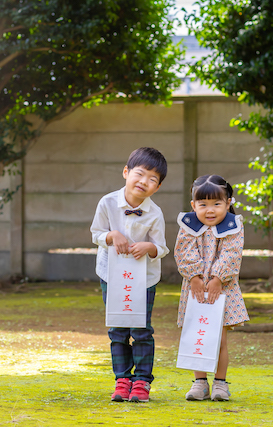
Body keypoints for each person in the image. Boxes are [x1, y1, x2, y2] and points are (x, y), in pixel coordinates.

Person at [90, 147, 169, 403]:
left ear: (157, 188)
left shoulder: (155, 213)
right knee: (117, 329)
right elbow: (96, 234)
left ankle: (142, 382)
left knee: (142, 330)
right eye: (140, 173)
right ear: (126, 172)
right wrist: (111, 236)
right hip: (112, 276)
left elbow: (162, 247)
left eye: (153, 179)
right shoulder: (107, 202)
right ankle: (122, 379)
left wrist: (150, 247)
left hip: (143, 281)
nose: (144, 182)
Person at [174, 174, 250, 401]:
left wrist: (217, 278)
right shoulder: (188, 225)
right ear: (193, 205)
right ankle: (199, 382)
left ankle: (220, 383)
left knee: (220, 339)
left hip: (223, 288)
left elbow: (231, 254)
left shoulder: (232, 226)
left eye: (217, 204)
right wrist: (195, 277)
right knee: (197, 333)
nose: (210, 210)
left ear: (228, 203)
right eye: (203, 204)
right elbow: (183, 251)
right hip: (194, 287)